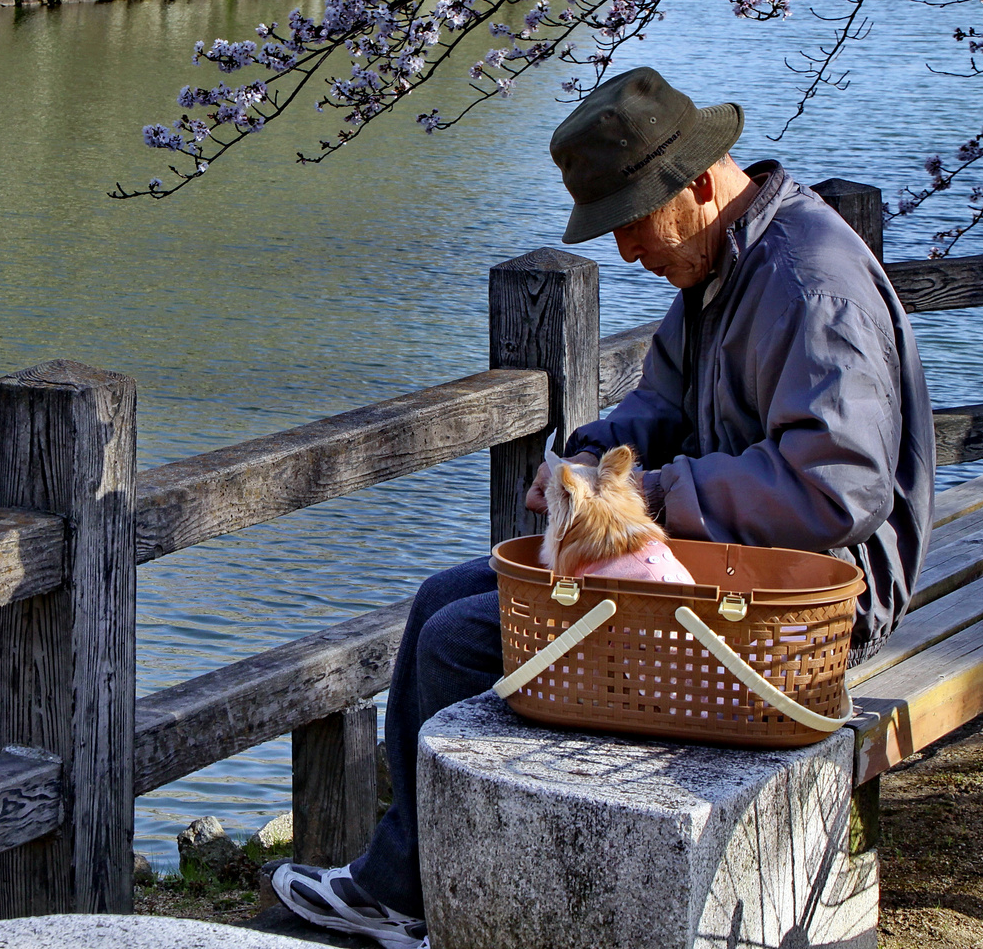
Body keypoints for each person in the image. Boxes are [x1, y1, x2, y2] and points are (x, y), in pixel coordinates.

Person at [269, 66, 936, 949]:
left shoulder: (807, 284)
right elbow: (657, 409)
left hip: (811, 605)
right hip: (725, 567)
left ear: (698, 184)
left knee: (462, 641)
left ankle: (459, 894)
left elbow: (833, 491)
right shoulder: (722, 264)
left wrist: (646, 498)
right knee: (440, 597)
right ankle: (405, 886)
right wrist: (587, 459)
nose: (625, 252)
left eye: (630, 222)